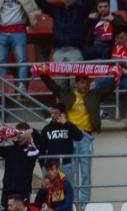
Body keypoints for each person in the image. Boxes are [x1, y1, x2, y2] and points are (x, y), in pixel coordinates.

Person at [39, 72, 105, 204]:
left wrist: (116, 77)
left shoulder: (93, 95)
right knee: (71, 174)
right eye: (81, 82)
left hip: (85, 136)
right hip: (70, 135)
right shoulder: (66, 94)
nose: (84, 85)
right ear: (76, 83)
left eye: (86, 83)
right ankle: (73, 204)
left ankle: (85, 205)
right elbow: (53, 86)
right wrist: (42, 73)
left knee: (85, 173)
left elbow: (109, 89)